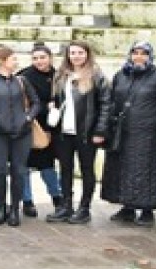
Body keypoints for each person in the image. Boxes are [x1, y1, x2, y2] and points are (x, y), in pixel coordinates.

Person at [101, 41, 156, 227]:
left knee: (147, 170)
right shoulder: (121, 75)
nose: (139, 57)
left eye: (144, 53)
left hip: (148, 133)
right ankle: (128, 206)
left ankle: (148, 209)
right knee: (123, 169)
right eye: (135, 53)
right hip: (123, 131)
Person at [0, 46, 43, 227]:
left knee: (19, 171)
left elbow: (36, 102)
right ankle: (1, 207)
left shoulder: (22, 80)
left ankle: (14, 209)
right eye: (13, 58)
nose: (17, 62)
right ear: (3, 61)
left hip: (22, 132)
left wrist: (28, 118)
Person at [46, 41, 111, 224]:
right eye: (72, 53)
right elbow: (56, 98)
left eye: (80, 52)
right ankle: (66, 206)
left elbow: (106, 105)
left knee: (86, 169)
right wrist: (53, 105)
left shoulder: (97, 76)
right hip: (64, 132)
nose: (76, 56)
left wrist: (100, 130)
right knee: (65, 169)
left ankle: (84, 208)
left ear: (87, 54)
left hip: (86, 132)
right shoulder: (61, 75)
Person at [20, 43, 63, 217]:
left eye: (42, 57)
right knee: (25, 167)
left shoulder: (59, 76)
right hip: (31, 126)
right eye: (35, 58)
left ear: (50, 58)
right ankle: (27, 201)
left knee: (48, 166)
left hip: (53, 127)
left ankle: (57, 197)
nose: (39, 61)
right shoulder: (24, 76)